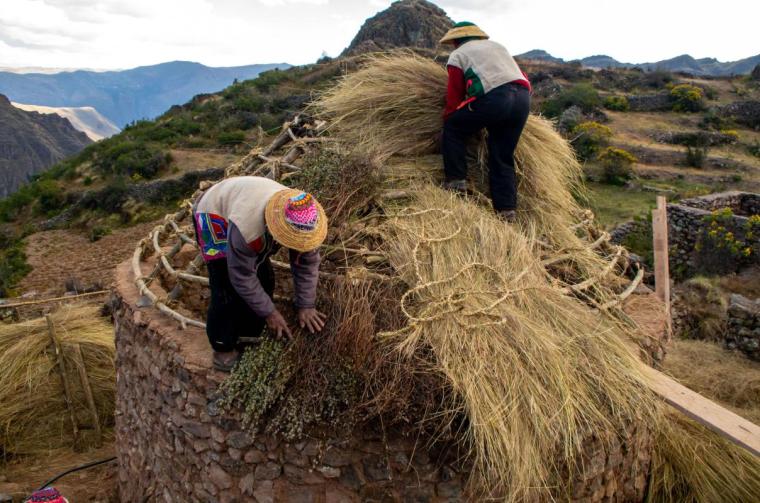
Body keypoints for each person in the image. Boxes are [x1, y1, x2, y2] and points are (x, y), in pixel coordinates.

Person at [193, 176, 328, 371]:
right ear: (277, 228)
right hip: (214, 214)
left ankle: (249, 338)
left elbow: (306, 264)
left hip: (247, 202)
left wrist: (306, 304)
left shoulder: (308, 222)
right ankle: (222, 348)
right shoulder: (248, 230)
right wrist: (270, 313)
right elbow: (241, 275)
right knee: (225, 287)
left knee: (265, 280)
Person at [439, 21, 532, 223]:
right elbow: (521, 77)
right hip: (523, 99)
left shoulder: (458, 55)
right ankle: (506, 211)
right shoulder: (499, 47)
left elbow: (454, 96)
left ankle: (456, 181)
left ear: (456, 41)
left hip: (496, 98)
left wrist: (450, 117)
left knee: (453, 127)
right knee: (502, 155)